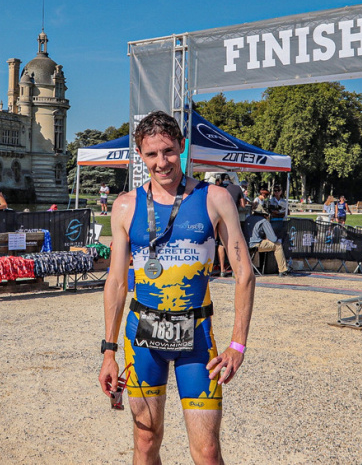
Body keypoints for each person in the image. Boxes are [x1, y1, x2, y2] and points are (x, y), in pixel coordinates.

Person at [99, 110, 254, 464]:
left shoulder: (214, 197)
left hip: (196, 338)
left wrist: (237, 344)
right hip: (142, 338)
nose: (162, 162)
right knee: (145, 439)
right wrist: (108, 351)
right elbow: (117, 281)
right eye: (152, 154)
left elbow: (244, 272)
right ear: (140, 155)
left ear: (182, 148)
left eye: (168, 151)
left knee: (208, 450)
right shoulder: (125, 206)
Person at [248, 204, 290, 276]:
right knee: (278, 245)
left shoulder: (248, 218)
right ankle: (283, 270)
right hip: (255, 245)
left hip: (246, 244)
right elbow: (273, 238)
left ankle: (256, 267)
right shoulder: (263, 221)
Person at [217, 175, 248, 277]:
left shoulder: (217, 187)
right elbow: (243, 205)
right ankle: (235, 269)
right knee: (234, 243)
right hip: (232, 218)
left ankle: (222, 269)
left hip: (218, 218)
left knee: (221, 245)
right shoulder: (237, 188)